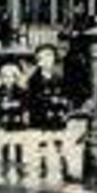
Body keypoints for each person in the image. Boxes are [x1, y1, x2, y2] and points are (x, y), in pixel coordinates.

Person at [25, 43, 72, 183]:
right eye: (43, 57)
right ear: (38, 60)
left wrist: (64, 107)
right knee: (42, 142)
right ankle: (43, 167)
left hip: (56, 116)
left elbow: (65, 94)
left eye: (50, 56)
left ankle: (64, 168)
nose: (47, 60)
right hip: (41, 116)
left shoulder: (59, 77)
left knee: (60, 142)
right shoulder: (34, 79)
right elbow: (31, 98)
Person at [0, 61, 28, 184]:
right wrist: (1, 105)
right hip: (3, 121)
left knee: (18, 146)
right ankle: (5, 166)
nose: (8, 79)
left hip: (16, 121)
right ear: (1, 77)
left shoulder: (20, 90)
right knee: (5, 145)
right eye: (5, 76)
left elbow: (25, 103)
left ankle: (19, 168)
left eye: (11, 76)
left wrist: (16, 105)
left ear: (15, 77)